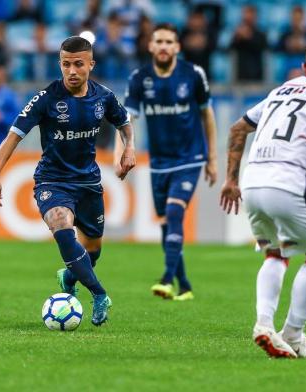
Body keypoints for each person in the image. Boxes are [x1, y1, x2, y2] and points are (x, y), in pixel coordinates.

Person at [0, 36, 136, 326]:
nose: (72, 71)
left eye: (78, 64)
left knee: (91, 252)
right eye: (66, 64)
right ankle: (99, 293)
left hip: (88, 183)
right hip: (52, 181)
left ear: (91, 65)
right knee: (60, 223)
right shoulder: (46, 98)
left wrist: (129, 147)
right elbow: (13, 136)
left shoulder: (103, 97)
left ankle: (69, 275)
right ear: (60, 64)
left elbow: (124, 122)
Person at [220, 44, 306, 358]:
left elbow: (238, 128)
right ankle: (295, 334)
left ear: (304, 66)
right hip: (289, 183)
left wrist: (231, 179)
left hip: (254, 182)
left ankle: (263, 323)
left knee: (275, 254)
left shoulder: (280, 91)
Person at [114, 23, 217, 301]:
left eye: (169, 42)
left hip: (189, 158)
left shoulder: (193, 74)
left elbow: (207, 115)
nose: (163, 46)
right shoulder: (139, 78)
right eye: (158, 41)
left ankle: (167, 279)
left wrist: (211, 158)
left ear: (177, 47)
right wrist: (119, 155)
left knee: (174, 213)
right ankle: (184, 285)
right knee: (165, 223)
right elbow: (126, 121)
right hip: (159, 161)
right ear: (150, 46)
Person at [229, 5, 267, 82]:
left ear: (255, 16)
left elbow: (262, 47)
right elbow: (230, 49)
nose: (247, 17)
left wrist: (249, 37)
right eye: (246, 14)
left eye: (250, 14)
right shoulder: (237, 33)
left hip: (257, 74)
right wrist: (237, 38)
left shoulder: (261, 33)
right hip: (240, 74)